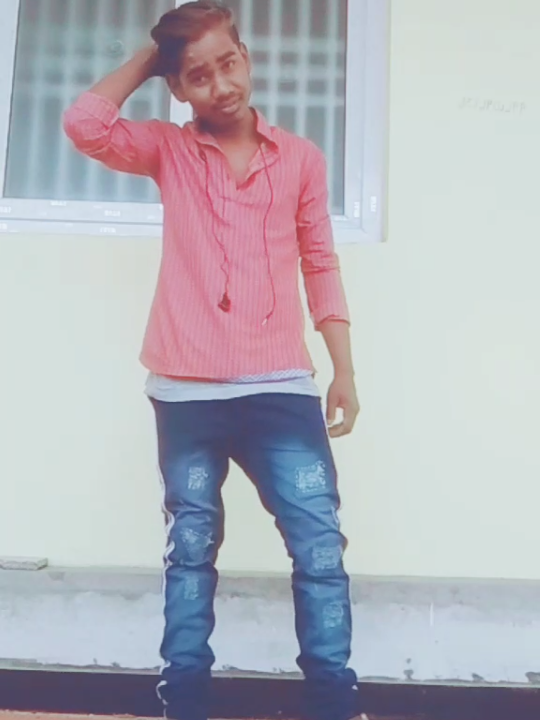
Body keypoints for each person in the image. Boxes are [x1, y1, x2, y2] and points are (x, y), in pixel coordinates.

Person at [63, 2, 362, 719]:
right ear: (178, 87)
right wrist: (154, 57)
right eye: (198, 75)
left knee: (320, 546)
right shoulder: (167, 149)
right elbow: (84, 125)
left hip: (281, 387)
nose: (221, 85)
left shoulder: (301, 160)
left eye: (229, 63)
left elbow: (320, 263)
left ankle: (332, 703)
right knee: (191, 550)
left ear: (247, 58)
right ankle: (185, 703)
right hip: (186, 390)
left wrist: (344, 370)